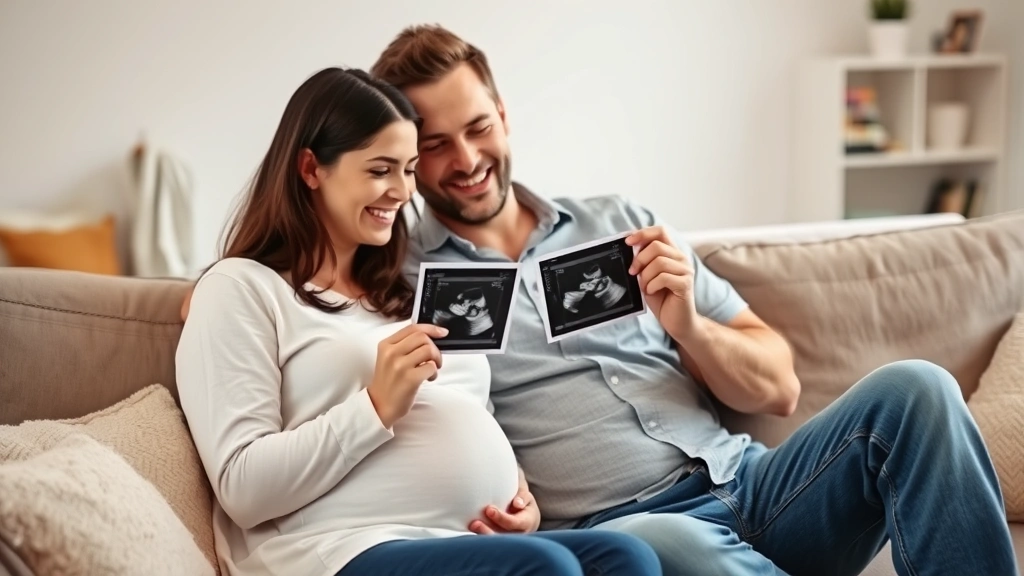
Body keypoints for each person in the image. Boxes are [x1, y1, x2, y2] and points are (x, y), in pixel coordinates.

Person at [367, 24, 1019, 576]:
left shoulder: (620, 222)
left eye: (478, 127)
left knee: (919, 389)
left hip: (762, 489)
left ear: (504, 117)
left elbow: (781, 389)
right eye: (435, 144)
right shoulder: (402, 283)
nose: (467, 158)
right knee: (663, 541)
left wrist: (689, 329)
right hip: (628, 532)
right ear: (406, 158)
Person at [174, 66, 662, 576]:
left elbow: (473, 415)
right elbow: (242, 490)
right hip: (338, 547)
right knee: (547, 568)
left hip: (461, 538)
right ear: (311, 169)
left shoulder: (407, 292)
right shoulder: (242, 289)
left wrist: (520, 494)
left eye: (408, 169)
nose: (402, 191)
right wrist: (375, 406)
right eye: (380, 169)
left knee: (625, 557)